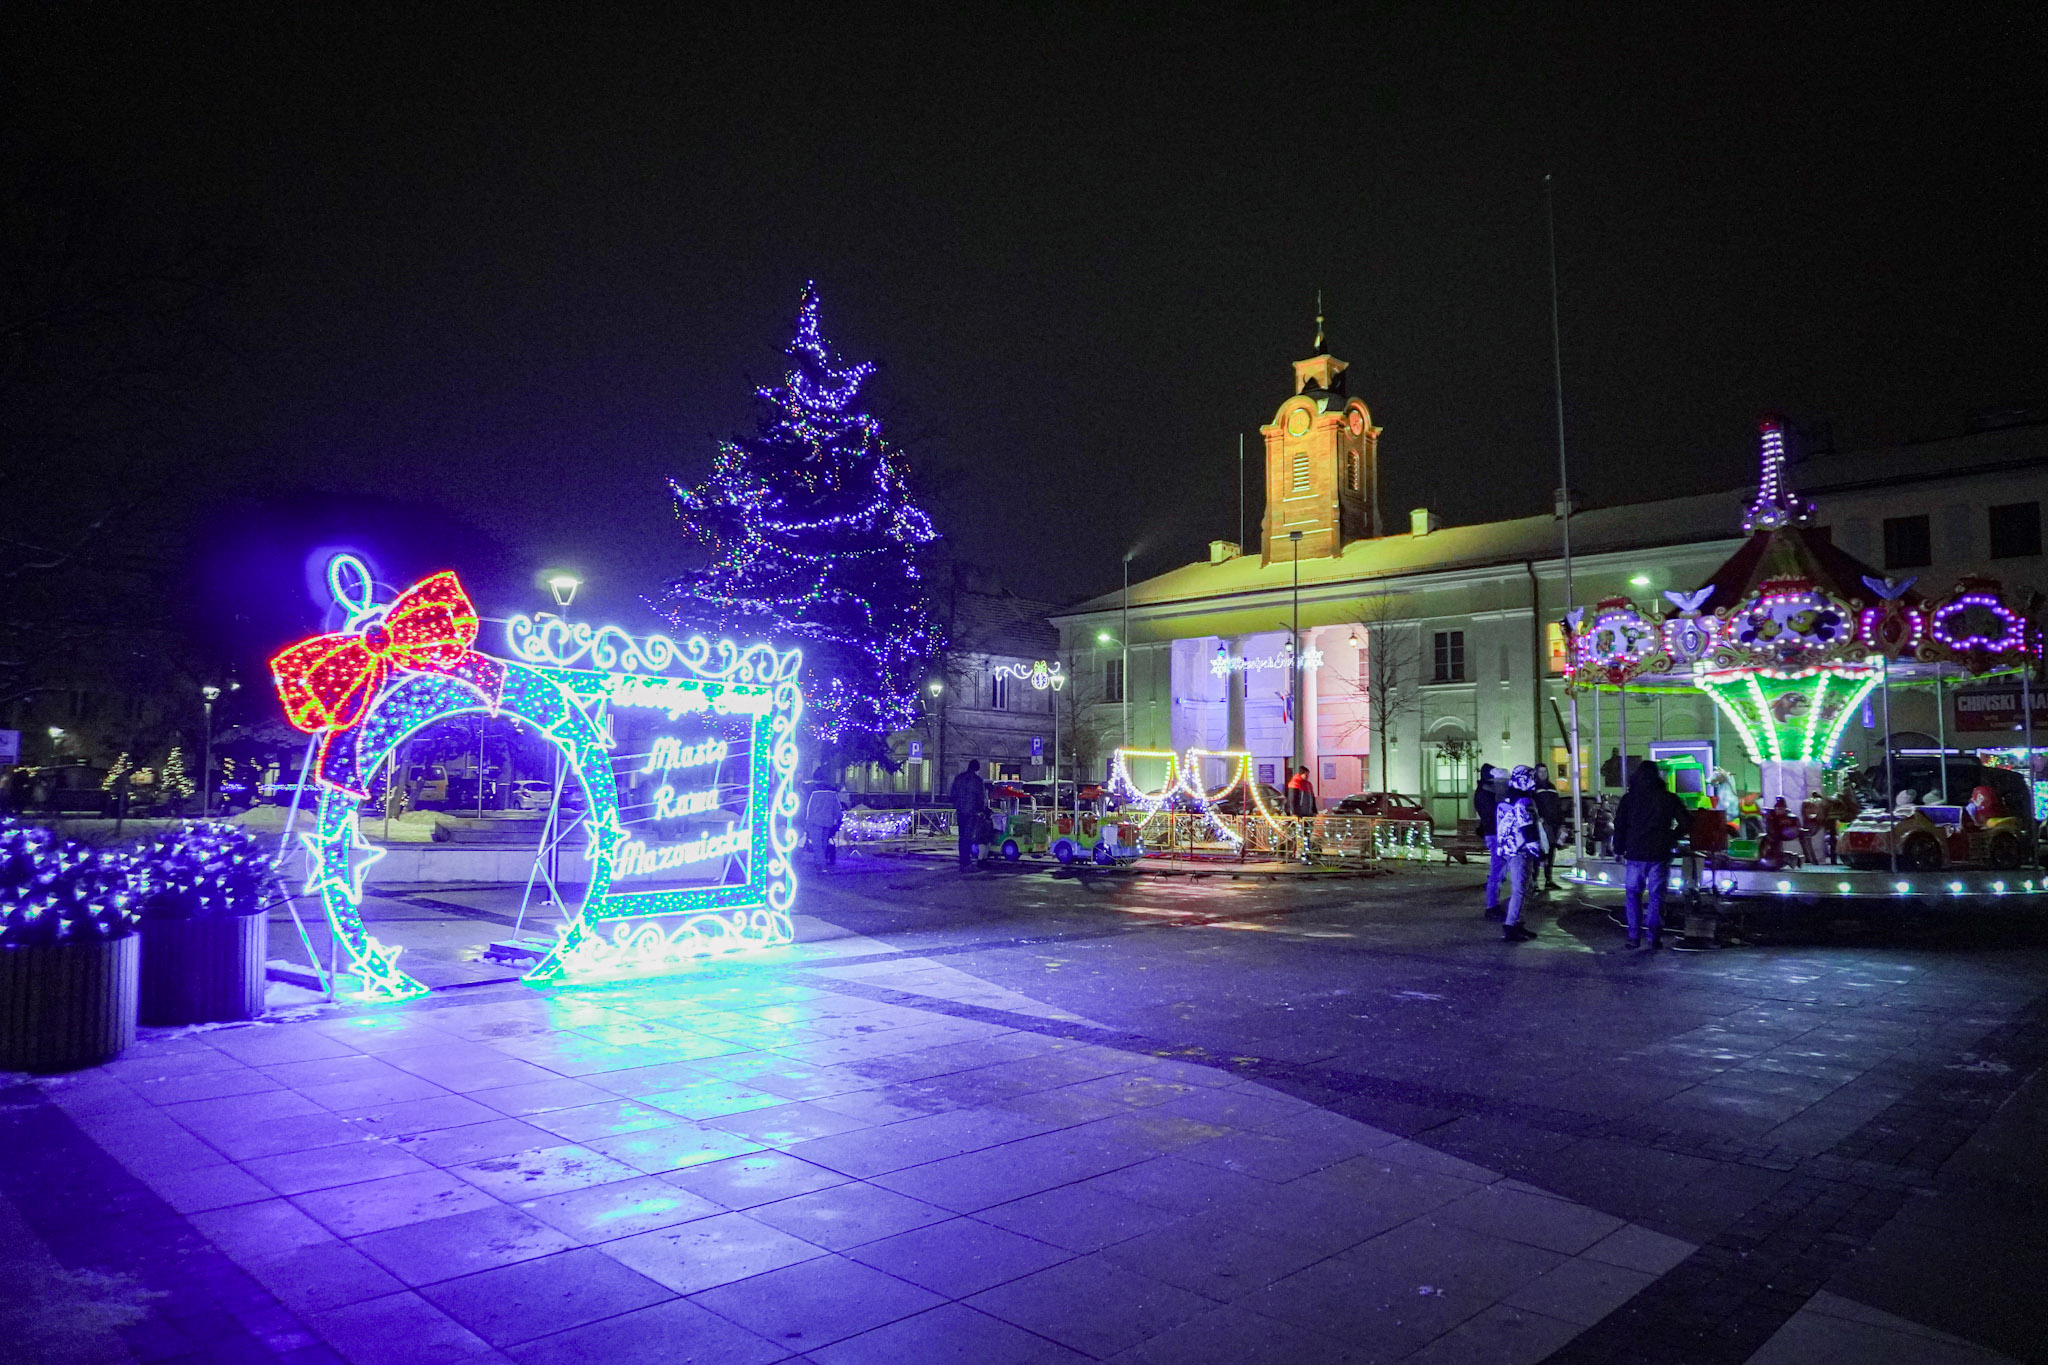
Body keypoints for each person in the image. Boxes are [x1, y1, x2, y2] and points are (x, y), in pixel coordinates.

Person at [1612, 760, 1684, 949]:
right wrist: (1672, 837)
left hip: (1635, 854)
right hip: (1659, 854)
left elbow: (1620, 826)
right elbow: (1686, 821)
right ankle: (1654, 938)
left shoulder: (1629, 799)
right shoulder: (1668, 797)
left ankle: (1633, 937)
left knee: (1632, 895)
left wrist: (1618, 849)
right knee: (1656, 896)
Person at [1495, 765, 1546, 941]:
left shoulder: (1505, 800)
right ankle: (1512, 926)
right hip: (1521, 851)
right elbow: (1528, 828)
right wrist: (1538, 852)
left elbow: (1502, 827)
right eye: (1531, 777)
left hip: (1509, 850)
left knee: (1522, 888)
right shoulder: (1524, 801)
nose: (1534, 781)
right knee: (1521, 890)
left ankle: (1516, 924)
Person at [1476, 763, 1504, 918]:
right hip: (1494, 834)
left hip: (1493, 833)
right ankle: (1491, 906)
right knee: (1496, 871)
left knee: (1498, 870)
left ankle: (1494, 904)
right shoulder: (1485, 793)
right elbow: (1491, 815)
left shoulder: (1486, 791)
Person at [949, 759, 988, 871]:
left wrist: (958, 805)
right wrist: (981, 810)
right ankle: (967, 862)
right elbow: (981, 798)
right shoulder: (977, 781)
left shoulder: (959, 778)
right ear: (977, 769)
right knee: (968, 837)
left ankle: (963, 861)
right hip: (972, 813)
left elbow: (953, 794)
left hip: (961, 812)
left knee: (962, 837)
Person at [804, 772, 846, 869]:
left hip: (815, 821)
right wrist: (837, 820)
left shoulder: (814, 793)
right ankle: (820, 861)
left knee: (817, 843)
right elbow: (837, 810)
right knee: (823, 843)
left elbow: (810, 808)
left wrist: (807, 821)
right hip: (828, 822)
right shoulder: (832, 795)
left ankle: (820, 863)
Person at [1533, 765, 1565, 891]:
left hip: (1553, 824)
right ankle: (1534, 881)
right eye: (1540, 772)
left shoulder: (1551, 787)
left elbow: (1558, 805)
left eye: (1544, 771)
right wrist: (1538, 818)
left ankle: (1548, 879)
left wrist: (1560, 821)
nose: (1543, 774)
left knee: (1551, 851)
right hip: (1541, 825)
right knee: (1539, 852)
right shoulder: (1534, 788)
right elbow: (1533, 805)